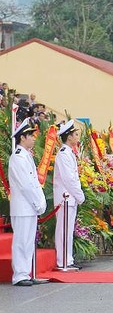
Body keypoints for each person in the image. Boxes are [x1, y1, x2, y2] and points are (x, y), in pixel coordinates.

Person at [9, 118, 48, 286]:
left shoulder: (26, 156)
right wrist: (37, 203)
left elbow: (34, 183)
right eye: (31, 136)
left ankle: (26, 272)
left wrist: (40, 202)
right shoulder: (18, 157)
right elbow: (25, 185)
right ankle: (19, 275)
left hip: (29, 207)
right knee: (22, 241)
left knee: (28, 241)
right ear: (22, 138)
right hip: (23, 207)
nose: (34, 138)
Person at [53, 120, 85, 271]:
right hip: (65, 198)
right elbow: (68, 179)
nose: (77, 137)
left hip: (70, 198)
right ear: (69, 137)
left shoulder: (69, 153)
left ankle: (68, 259)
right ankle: (62, 261)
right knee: (63, 230)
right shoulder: (64, 154)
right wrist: (80, 195)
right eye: (75, 135)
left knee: (68, 230)